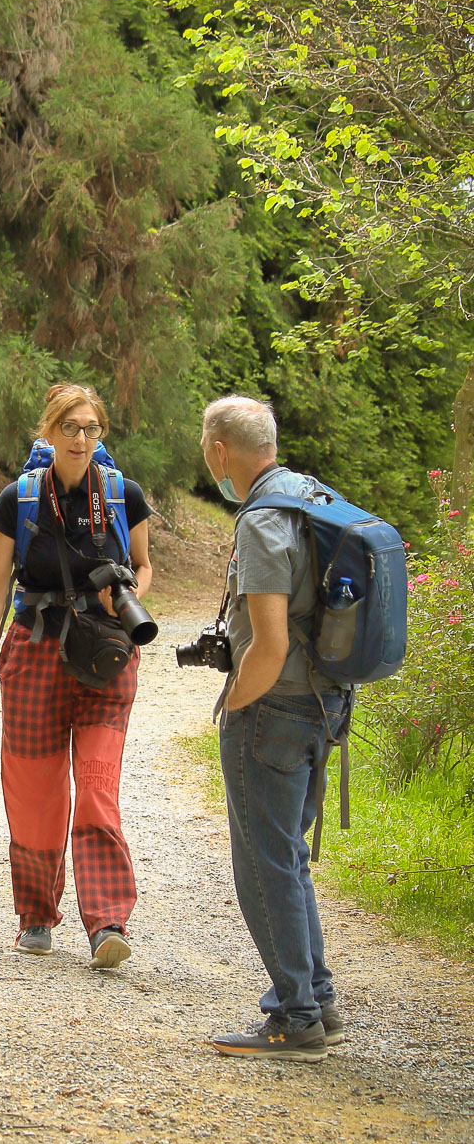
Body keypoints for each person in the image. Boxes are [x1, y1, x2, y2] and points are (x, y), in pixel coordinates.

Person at [0, 383, 152, 968]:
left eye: (90, 428)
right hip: (35, 647)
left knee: (97, 790)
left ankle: (106, 922)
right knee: (36, 796)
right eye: (70, 428)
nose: (80, 438)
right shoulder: (18, 500)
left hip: (104, 652)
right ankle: (36, 915)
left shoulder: (122, 495)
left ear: (101, 434)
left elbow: (144, 567)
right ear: (47, 434)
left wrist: (122, 604)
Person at [201, 395, 352, 1061]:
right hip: (326, 702)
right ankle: (316, 997)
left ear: (218, 449)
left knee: (265, 864)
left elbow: (267, 642)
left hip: (275, 711)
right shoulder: (312, 496)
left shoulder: (263, 519)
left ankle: (294, 1018)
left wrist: (234, 706)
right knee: (288, 856)